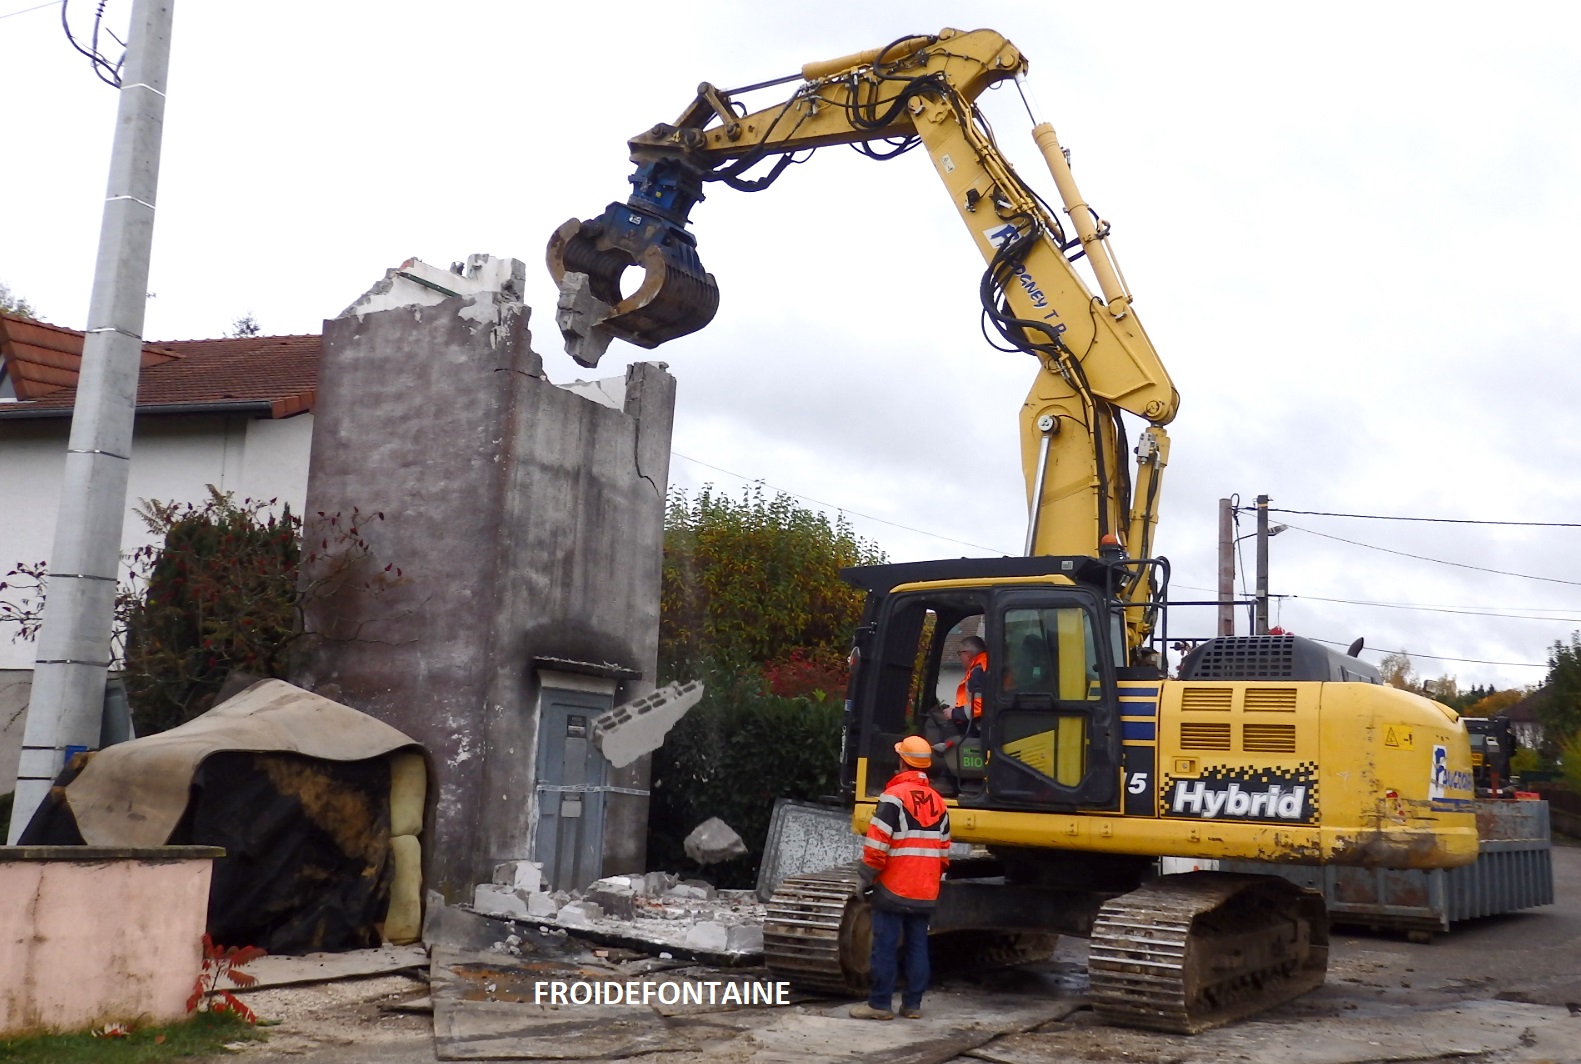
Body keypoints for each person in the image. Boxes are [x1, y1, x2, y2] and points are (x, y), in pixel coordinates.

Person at [849, 735, 952, 1021]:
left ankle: (880, 1005)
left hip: (894, 886)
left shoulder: (894, 797)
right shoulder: (939, 803)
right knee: (918, 945)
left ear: (901, 761)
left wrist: (866, 877)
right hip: (925, 889)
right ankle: (913, 1006)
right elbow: (944, 852)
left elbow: (878, 843)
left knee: (885, 945)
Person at [934, 634, 988, 754]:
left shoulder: (978, 672)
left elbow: (980, 707)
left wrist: (954, 713)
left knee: (946, 730)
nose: (960, 657)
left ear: (968, 655)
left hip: (980, 729)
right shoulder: (985, 666)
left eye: (960, 654)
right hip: (985, 726)